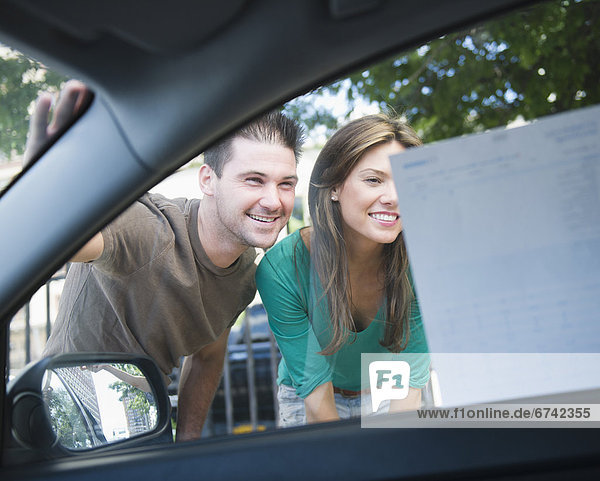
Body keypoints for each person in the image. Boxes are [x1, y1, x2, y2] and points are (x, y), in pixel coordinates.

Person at [28, 81, 305, 440]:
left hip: (146, 420)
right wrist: (40, 188)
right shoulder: (147, 228)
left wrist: (184, 446)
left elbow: (206, 358)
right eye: (254, 180)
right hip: (69, 411)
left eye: (286, 184)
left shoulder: (244, 275)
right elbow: (58, 238)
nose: (274, 200)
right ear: (208, 180)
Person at [255, 113, 430, 426]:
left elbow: (410, 371)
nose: (393, 197)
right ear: (334, 186)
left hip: (387, 388)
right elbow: (315, 390)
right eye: (374, 180)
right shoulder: (281, 269)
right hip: (310, 394)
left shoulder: (421, 258)